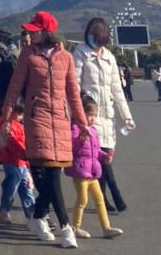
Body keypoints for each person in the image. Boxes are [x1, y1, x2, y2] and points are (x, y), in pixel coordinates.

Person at [1, 11, 87, 250]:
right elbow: (14, 87)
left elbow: (73, 94)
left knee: (53, 174)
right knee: (51, 173)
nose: (30, 34)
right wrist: (6, 117)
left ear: (46, 32)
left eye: (34, 30)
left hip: (60, 121)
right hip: (37, 118)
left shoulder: (66, 57)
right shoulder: (27, 55)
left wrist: (82, 123)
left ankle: (38, 215)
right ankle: (66, 228)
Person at [71, 18, 134, 216]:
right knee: (101, 159)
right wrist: (79, 114)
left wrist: (126, 116)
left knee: (104, 157)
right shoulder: (80, 53)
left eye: (96, 35)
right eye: (91, 33)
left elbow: (117, 89)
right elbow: (74, 85)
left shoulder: (109, 57)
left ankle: (103, 196)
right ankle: (114, 196)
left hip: (107, 116)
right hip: (89, 115)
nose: (92, 38)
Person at [66, 95, 124, 240]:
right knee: (82, 200)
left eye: (95, 115)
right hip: (80, 172)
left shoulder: (93, 131)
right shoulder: (75, 128)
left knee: (100, 200)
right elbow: (72, 147)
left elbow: (96, 151)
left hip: (93, 172)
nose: (93, 118)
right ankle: (75, 227)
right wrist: (80, 139)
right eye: (90, 114)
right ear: (80, 113)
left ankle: (106, 228)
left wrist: (105, 156)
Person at [0, 101, 36, 225]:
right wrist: (24, 155)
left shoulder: (20, 126)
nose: (20, 117)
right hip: (12, 161)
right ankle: (6, 210)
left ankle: (32, 214)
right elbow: (12, 143)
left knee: (25, 188)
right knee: (12, 187)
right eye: (18, 114)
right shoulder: (6, 124)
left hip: (21, 162)